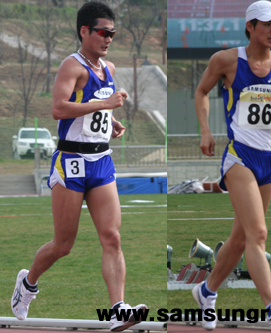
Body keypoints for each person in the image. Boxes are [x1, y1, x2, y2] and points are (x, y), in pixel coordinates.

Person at [10, 2, 146, 331]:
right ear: (84, 31)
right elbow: (58, 108)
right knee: (63, 245)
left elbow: (92, 103)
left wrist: (109, 120)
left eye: (112, 33)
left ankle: (118, 309)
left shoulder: (109, 68)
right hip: (70, 160)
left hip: (101, 160)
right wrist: (106, 104)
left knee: (112, 237)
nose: (108, 37)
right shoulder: (73, 66)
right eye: (102, 32)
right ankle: (27, 284)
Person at [193, 1, 271, 331]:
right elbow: (202, 91)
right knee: (258, 233)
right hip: (239, 156)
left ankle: (206, 292)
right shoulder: (227, 60)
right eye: (267, 24)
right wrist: (205, 130)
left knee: (240, 239)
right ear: (250, 26)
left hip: (270, 159)